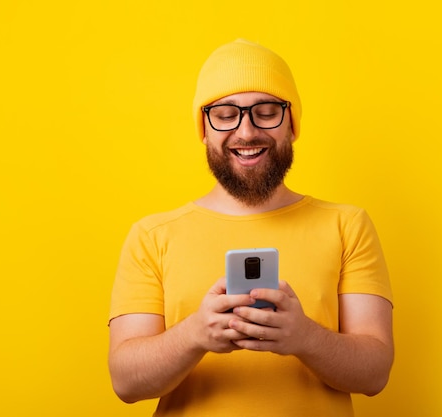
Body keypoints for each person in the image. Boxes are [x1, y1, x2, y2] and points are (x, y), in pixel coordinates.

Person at [108, 39, 394, 417]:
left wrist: (303, 336)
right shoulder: (151, 236)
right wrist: (195, 334)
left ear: (291, 125)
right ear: (204, 130)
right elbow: (126, 383)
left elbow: (374, 374)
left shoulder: (348, 226)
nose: (246, 132)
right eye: (226, 114)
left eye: (266, 111)